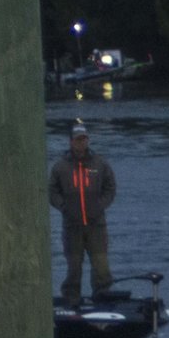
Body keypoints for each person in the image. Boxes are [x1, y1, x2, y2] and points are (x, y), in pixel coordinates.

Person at [47, 121, 116, 302]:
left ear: (88, 141)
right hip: (72, 225)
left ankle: (102, 295)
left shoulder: (100, 164)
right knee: (74, 266)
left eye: (84, 139)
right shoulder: (60, 167)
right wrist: (63, 207)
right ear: (71, 141)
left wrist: (100, 205)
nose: (81, 143)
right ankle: (71, 298)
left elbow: (110, 187)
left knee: (101, 265)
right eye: (78, 140)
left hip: (96, 225)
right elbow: (52, 191)